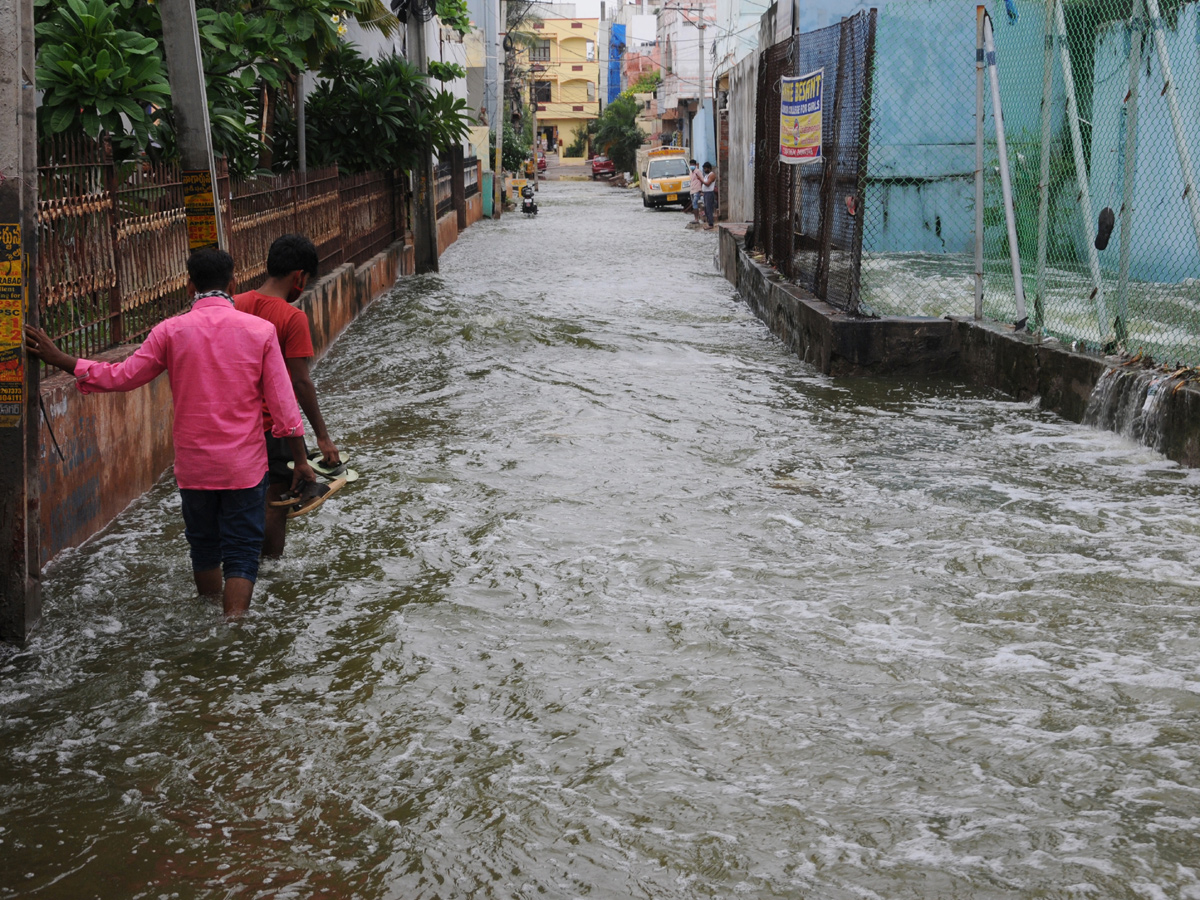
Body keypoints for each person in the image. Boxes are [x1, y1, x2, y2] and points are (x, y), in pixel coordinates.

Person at [24, 248, 316, 619]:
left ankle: (207, 616)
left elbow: (123, 376)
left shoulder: (170, 331)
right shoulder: (261, 332)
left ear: (190, 285)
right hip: (244, 467)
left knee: (204, 546)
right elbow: (284, 406)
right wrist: (301, 460)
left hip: (195, 468)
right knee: (243, 550)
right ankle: (234, 627)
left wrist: (61, 358)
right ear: (233, 283)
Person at [234, 234, 340, 559]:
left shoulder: (234, 304)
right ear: (300, 276)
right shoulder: (291, 318)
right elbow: (300, 383)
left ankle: (235, 564)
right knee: (275, 503)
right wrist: (323, 438)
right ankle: (267, 573)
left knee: (235, 503)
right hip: (271, 429)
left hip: (231, 423)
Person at [701, 161, 717, 230]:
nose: (705, 170)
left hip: (709, 193)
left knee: (709, 208)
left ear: (709, 168)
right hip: (706, 193)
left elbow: (707, 184)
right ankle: (709, 223)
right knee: (706, 209)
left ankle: (711, 224)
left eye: (705, 168)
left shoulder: (712, 174)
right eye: (704, 169)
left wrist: (701, 180)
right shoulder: (706, 175)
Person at [688, 159, 703, 225]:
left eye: (693, 164)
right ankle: (695, 218)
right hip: (692, 190)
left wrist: (701, 190)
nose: (692, 166)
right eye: (691, 164)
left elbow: (702, 180)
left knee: (695, 203)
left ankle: (696, 219)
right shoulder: (690, 172)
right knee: (694, 204)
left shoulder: (698, 171)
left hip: (697, 190)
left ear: (695, 165)